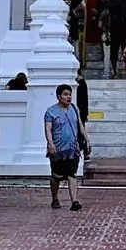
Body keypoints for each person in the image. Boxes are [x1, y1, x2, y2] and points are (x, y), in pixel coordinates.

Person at [44, 83, 85, 212]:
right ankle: (55, 198)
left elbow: (79, 124)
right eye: (65, 94)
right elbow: (48, 129)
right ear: (59, 96)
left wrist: (86, 139)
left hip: (72, 148)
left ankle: (74, 201)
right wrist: (50, 143)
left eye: (70, 94)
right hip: (57, 149)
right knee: (56, 176)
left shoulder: (74, 109)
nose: (68, 97)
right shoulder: (51, 112)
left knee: (72, 174)